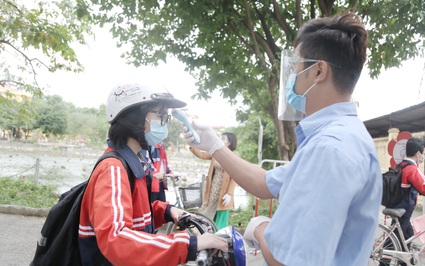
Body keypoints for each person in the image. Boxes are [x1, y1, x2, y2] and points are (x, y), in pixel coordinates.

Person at [183, 13, 382, 266]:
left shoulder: (329, 149)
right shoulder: (343, 137)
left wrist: (259, 227)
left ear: (319, 70)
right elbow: (264, 183)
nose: (292, 77)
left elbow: (287, 261)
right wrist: (214, 146)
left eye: (297, 67)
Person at [78, 82, 227, 265]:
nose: (164, 123)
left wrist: (166, 211)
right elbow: (116, 238)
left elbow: (136, 213)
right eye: (160, 115)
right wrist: (190, 243)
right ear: (135, 117)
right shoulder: (113, 169)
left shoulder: (135, 163)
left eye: (167, 117)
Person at [189, 132, 237, 230]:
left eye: (224, 138)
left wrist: (229, 193)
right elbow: (202, 155)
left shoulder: (233, 157)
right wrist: (192, 145)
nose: (221, 140)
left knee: (220, 214)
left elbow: (235, 177)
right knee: (208, 211)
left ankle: (219, 235)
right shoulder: (216, 153)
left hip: (223, 190)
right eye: (221, 138)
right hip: (213, 188)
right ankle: (203, 231)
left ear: (230, 142)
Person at [391, 138, 425, 251]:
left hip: (397, 205)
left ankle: (405, 262)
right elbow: (423, 187)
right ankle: (384, 262)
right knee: (393, 239)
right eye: (423, 153)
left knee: (408, 236)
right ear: (418, 154)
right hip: (404, 209)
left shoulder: (401, 165)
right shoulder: (412, 169)